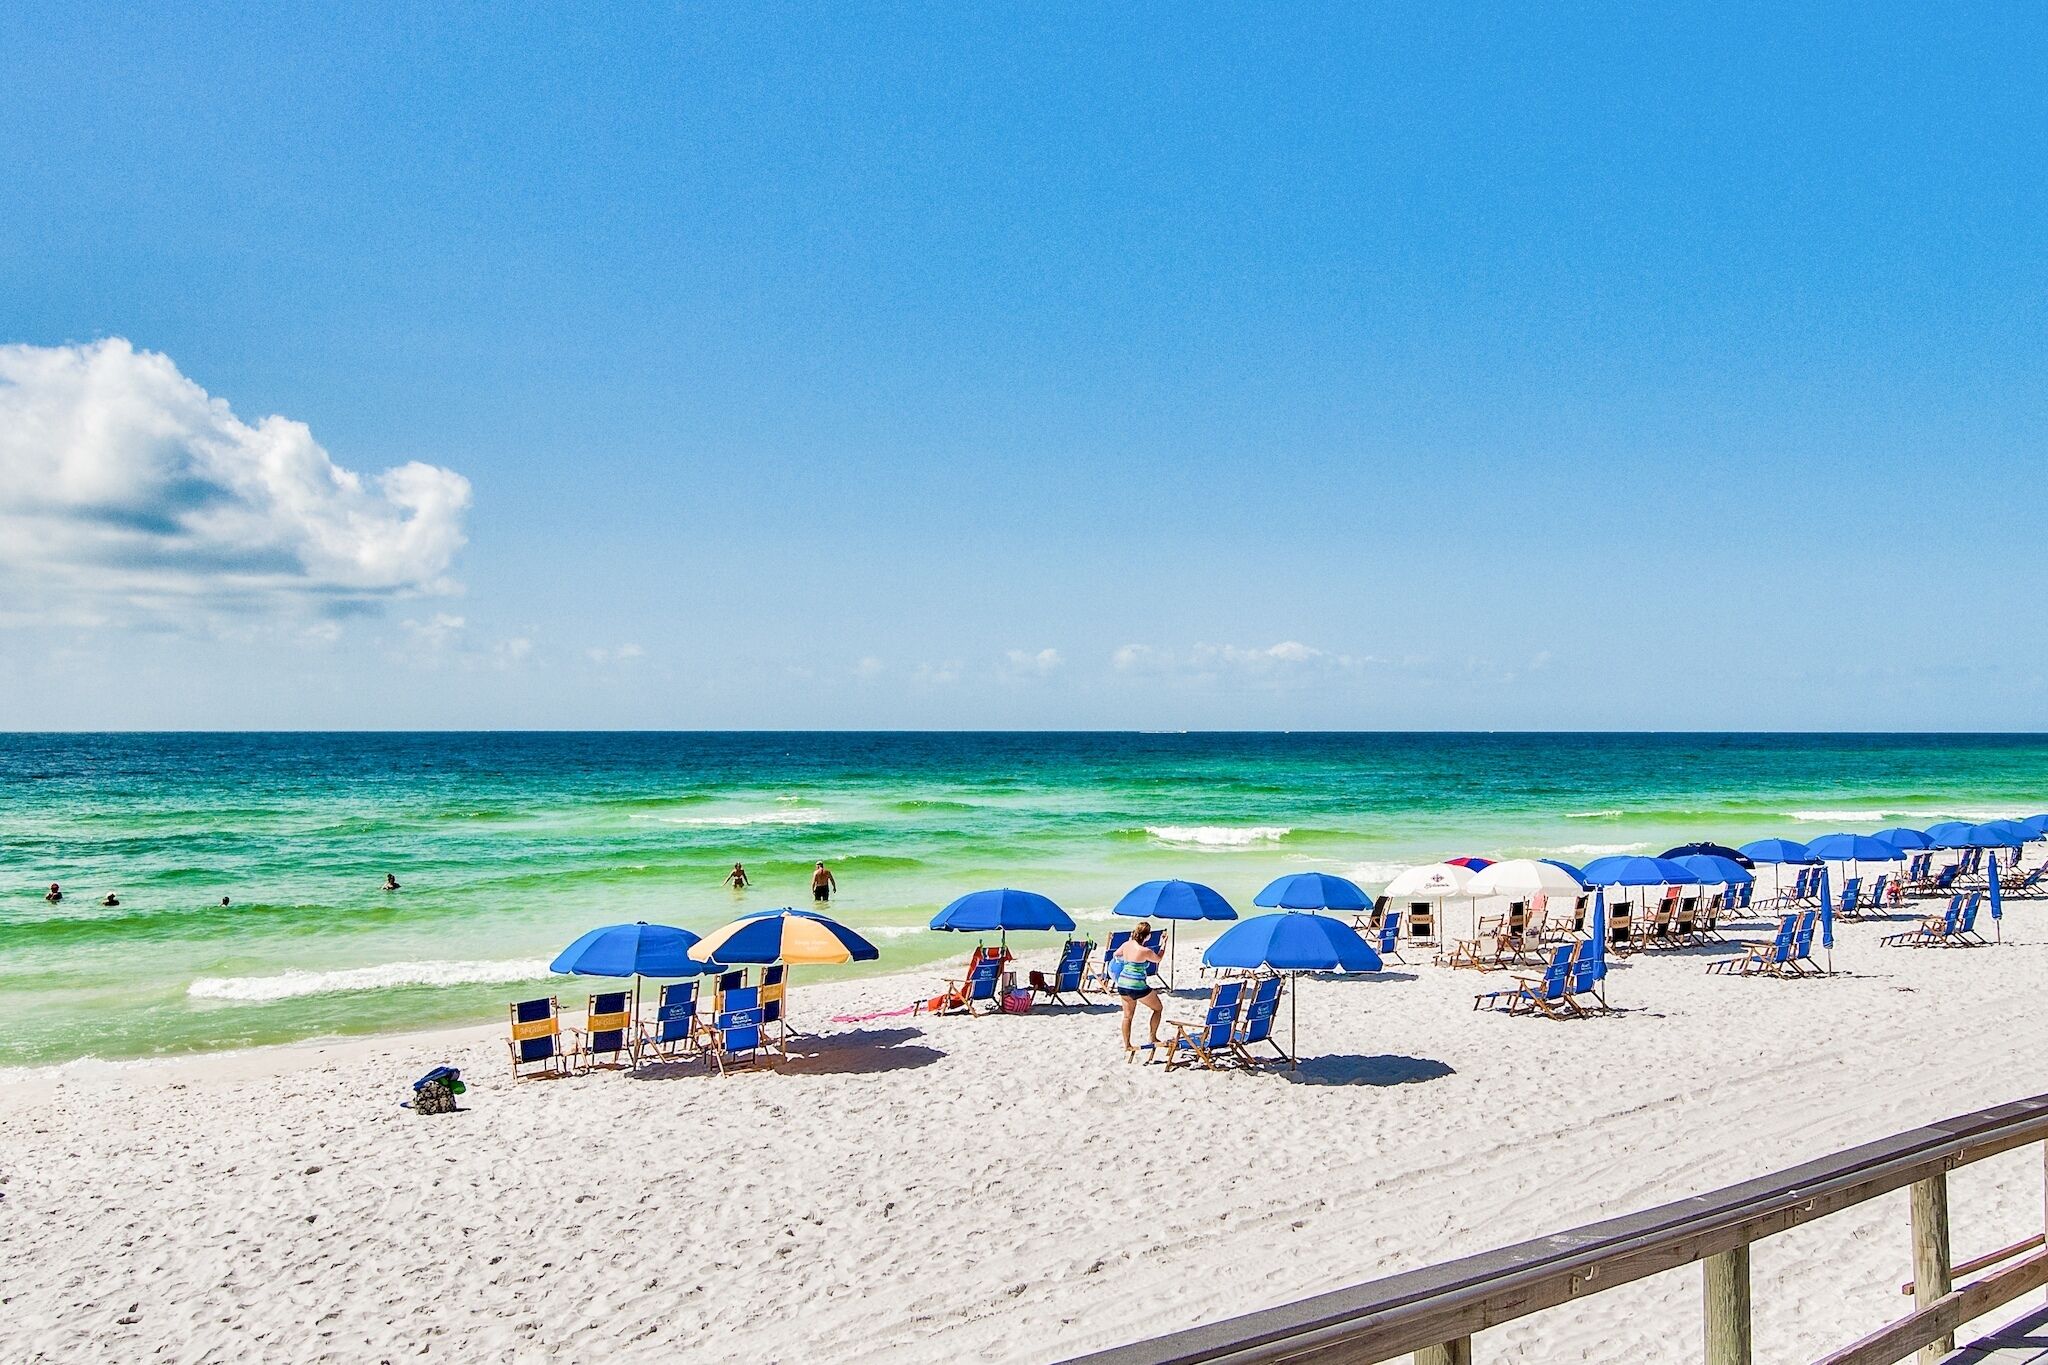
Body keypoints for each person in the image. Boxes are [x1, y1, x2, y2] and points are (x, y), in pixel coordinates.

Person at [1111, 921, 1165, 1055]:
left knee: (1127, 1017)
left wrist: (1127, 961)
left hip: (1123, 983)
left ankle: (1127, 1045)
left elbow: (1116, 955)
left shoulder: (1126, 945)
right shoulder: (1145, 951)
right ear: (1147, 936)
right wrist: (1164, 944)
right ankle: (1152, 1037)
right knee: (1158, 1008)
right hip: (1137, 986)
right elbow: (1158, 959)